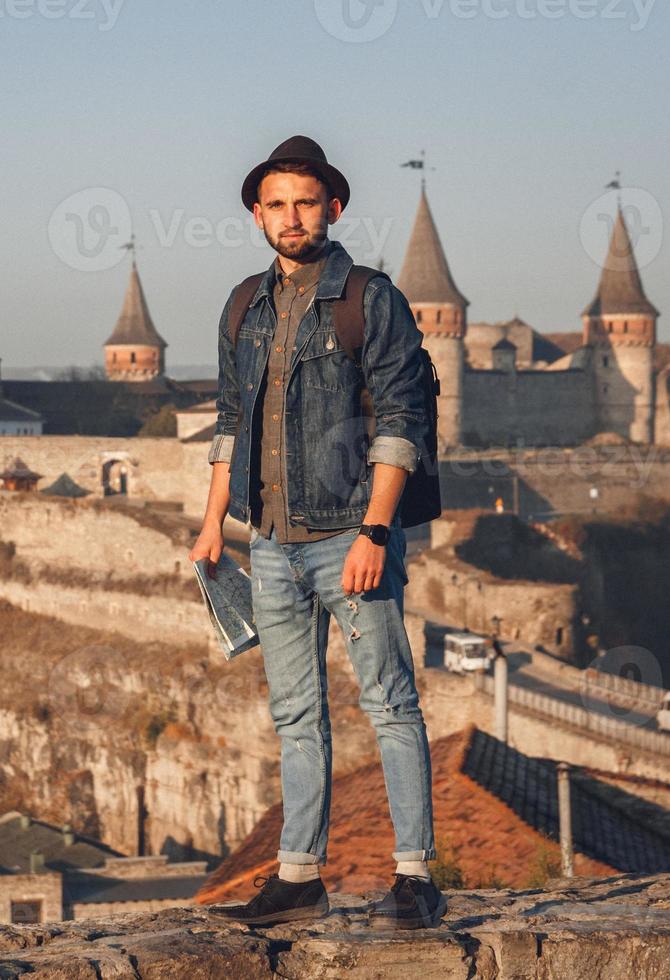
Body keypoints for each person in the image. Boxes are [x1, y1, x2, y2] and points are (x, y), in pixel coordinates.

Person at [189, 135, 445, 930]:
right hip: (268, 542)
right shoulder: (243, 305)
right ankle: (300, 876)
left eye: (306, 202)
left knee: (390, 702)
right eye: (277, 204)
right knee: (296, 715)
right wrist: (210, 528)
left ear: (333, 208)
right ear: (256, 213)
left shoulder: (369, 300)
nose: (291, 216)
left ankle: (415, 876)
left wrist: (376, 529)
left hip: (350, 537)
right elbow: (233, 420)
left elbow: (403, 418)